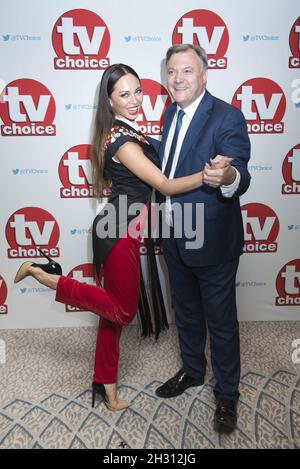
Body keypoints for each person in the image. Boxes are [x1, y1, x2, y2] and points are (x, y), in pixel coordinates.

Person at [14, 63, 231, 412]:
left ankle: (106, 385)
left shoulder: (132, 131)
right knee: (122, 311)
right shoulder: (120, 139)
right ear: (110, 102)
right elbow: (164, 185)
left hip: (125, 228)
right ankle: (48, 276)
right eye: (124, 94)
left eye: (138, 91)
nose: (134, 100)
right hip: (117, 232)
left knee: (110, 316)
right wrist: (208, 176)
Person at [155, 44, 251, 434]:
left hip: (213, 239)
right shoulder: (169, 112)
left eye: (187, 71)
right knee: (187, 312)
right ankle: (193, 371)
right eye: (172, 72)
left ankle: (227, 393)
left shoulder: (227, 116)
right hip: (174, 234)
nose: (178, 79)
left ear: (205, 75)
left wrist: (226, 178)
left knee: (221, 322)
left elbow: (239, 170)